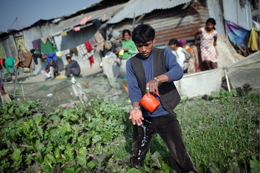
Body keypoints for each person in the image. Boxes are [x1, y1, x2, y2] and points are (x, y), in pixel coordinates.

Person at [126, 24, 197, 173]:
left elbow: (178, 71)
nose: (144, 49)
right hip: (144, 116)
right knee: (137, 154)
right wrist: (136, 108)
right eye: (140, 46)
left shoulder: (164, 54)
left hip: (164, 112)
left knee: (180, 153)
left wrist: (157, 79)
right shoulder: (131, 63)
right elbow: (133, 88)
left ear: (154, 40)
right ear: (135, 44)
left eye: (147, 44)